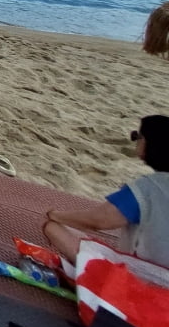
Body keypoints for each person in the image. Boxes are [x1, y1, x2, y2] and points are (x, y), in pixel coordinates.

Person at [43, 114, 169, 269]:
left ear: (148, 143)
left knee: (53, 227)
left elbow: (99, 221)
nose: (136, 141)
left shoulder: (149, 187)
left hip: (149, 279)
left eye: (137, 137)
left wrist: (56, 215)